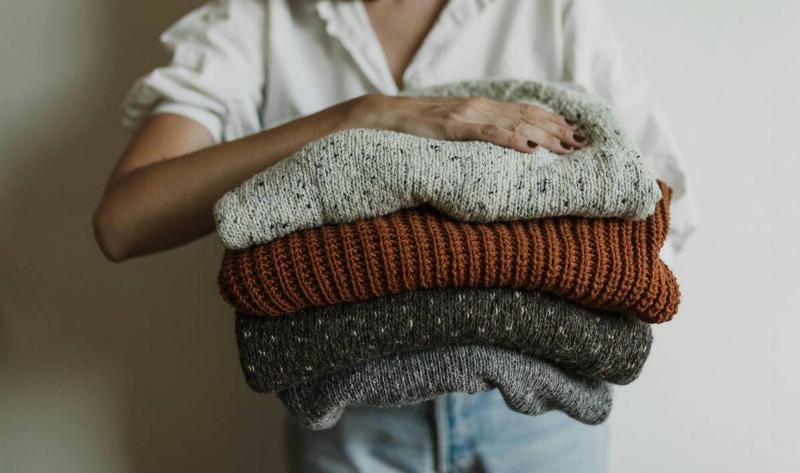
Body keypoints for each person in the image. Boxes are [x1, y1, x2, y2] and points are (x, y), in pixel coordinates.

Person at [93, 1, 696, 471]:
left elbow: (654, 201)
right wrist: (360, 116)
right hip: (350, 425)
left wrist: (524, 289)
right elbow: (123, 222)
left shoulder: (546, 9)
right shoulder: (258, 18)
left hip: (542, 422)